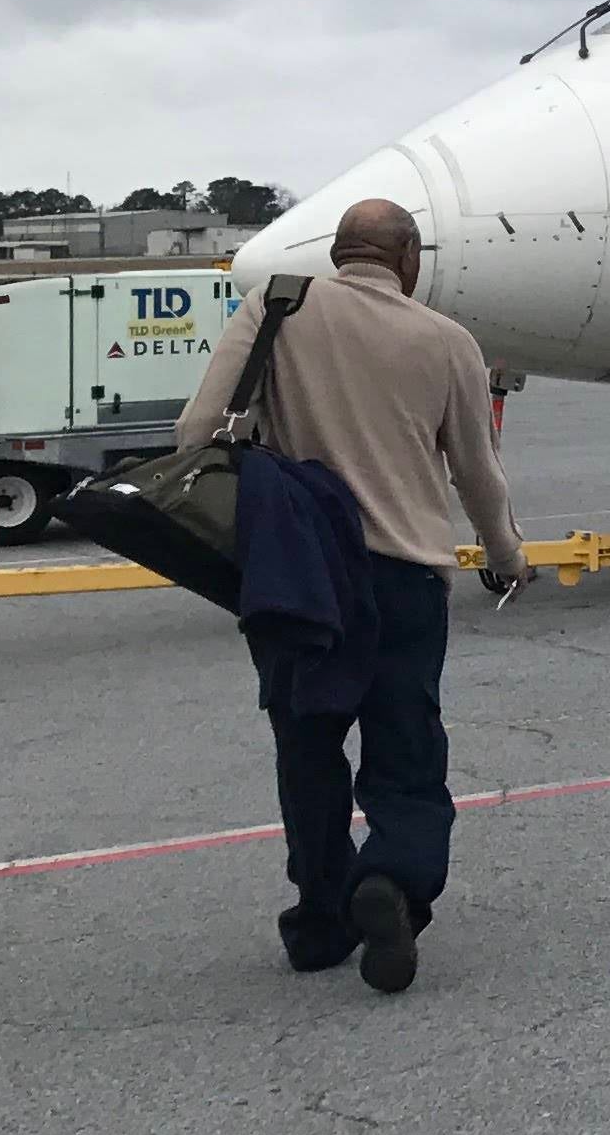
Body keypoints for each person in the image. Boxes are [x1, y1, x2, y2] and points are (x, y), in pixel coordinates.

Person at [171, 197, 530, 993]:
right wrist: (506, 556)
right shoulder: (447, 341)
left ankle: (320, 922)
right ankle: (393, 878)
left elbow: (197, 431)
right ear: (407, 259)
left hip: (298, 576)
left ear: (338, 253)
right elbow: (477, 471)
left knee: (307, 750)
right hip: (403, 576)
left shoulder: (276, 308)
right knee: (406, 750)